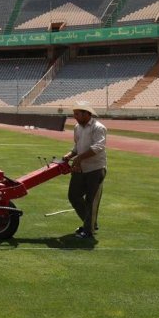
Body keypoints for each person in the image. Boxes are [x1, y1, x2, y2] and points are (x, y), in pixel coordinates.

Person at [62, 101, 107, 239]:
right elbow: (77, 146)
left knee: (91, 200)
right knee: (74, 196)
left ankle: (88, 230)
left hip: (95, 168)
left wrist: (79, 158)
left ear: (86, 114)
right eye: (74, 114)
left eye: (77, 114)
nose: (74, 116)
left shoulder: (98, 128)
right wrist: (70, 154)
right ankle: (90, 223)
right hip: (80, 168)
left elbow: (98, 147)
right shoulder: (77, 127)